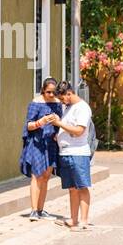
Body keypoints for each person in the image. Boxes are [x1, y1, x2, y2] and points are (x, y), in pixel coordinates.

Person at [19, 77, 62, 220]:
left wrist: (57, 126)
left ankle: (40, 210)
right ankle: (33, 210)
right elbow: (28, 125)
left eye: (53, 92)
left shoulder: (57, 104)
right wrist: (40, 122)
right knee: (36, 175)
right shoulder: (36, 103)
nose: (51, 95)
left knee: (46, 177)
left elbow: (61, 123)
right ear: (43, 90)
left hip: (51, 143)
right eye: (48, 92)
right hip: (37, 143)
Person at [53, 80, 94, 229]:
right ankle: (74, 219)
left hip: (78, 153)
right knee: (72, 188)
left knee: (82, 186)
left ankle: (84, 220)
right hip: (66, 152)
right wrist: (59, 135)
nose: (62, 102)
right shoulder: (68, 108)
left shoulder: (82, 108)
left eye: (62, 98)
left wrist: (59, 124)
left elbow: (79, 131)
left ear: (69, 93)